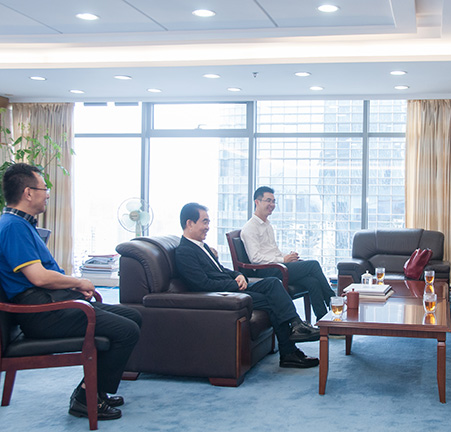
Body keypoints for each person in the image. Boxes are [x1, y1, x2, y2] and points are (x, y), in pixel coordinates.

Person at [0, 163, 141, 421]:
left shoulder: (21, 225)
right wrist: (77, 282)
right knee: (127, 330)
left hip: (51, 304)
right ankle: (86, 397)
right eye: (44, 188)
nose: (48, 194)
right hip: (42, 313)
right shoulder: (13, 227)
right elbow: (38, 277)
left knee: (132, 316)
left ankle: (96, 391)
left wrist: (72, 286)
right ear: (28, 193)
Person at [174, 202, 320, 369]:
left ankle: (296, 325)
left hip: (231, 285)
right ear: (189, 223)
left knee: (273, 283)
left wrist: (238, 275)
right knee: (272, 302)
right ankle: (289, 352)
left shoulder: (201, 246)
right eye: (204, 222)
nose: (208, 227)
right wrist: (234, 284)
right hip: (223, 294)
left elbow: (220, 270)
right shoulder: (184, 252)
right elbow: (202, 284)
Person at [240, 186, 334, 321]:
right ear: (257, 202)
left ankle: (323, 320)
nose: (272, 205)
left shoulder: (267, 225)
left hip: (277, 266)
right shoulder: (250, 228)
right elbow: (255, 258)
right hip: (266, 271)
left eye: (273, 201)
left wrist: (288, 257)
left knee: (312, 282)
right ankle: (332, 300)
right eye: (268, 201)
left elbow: (274, 251)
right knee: (313, 265)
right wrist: (283, 260)